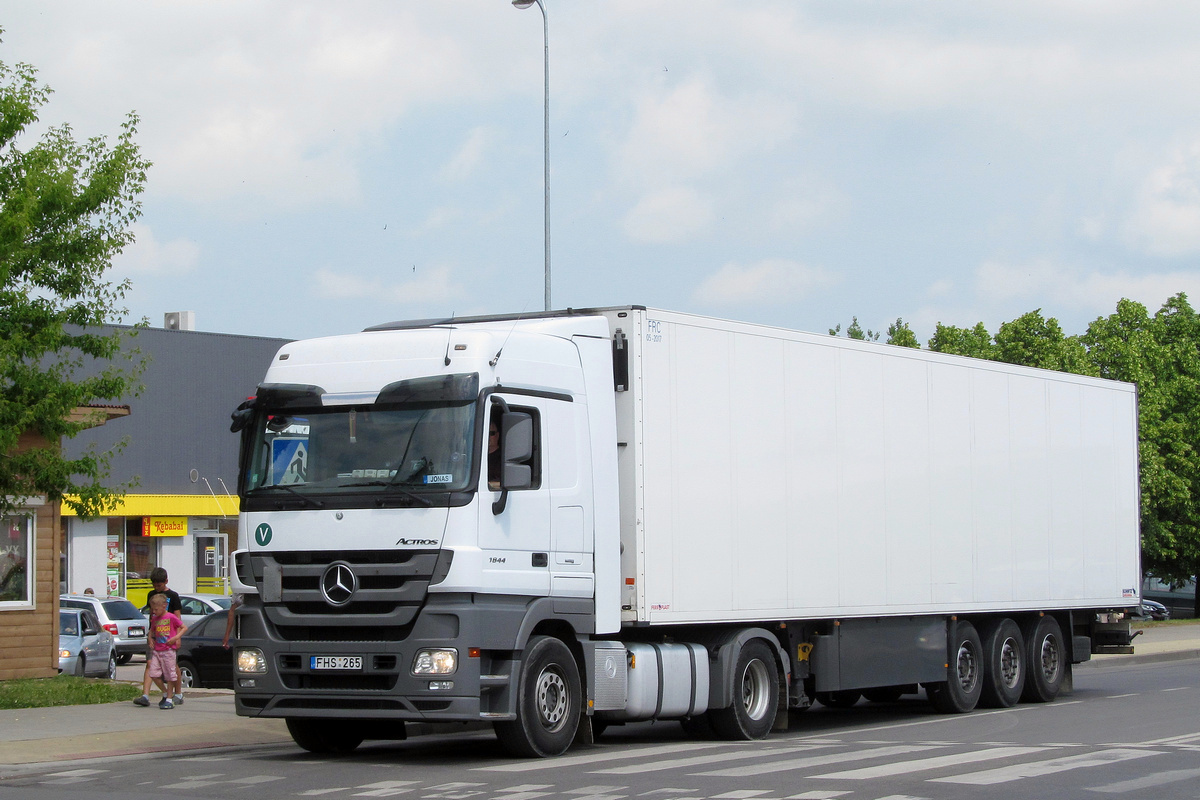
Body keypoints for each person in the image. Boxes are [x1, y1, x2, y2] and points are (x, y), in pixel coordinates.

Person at [132, 593, 187, 709]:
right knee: (153, 673)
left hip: (168, 651)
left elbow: (184, 627)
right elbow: (152, 630)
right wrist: (150, 638)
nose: (154, 612)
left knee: (169, 674)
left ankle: (169, 698)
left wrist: (176, 638)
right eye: (152, 609)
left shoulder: (171, 617)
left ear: (164, 606)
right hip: (157, 650)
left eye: (156, 609)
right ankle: (166, 691)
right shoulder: (155, 619)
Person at [143, 567, 185, 703]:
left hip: (169, 636)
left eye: (159, 585)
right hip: (155, 633)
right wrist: (150, 634)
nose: (157, 588)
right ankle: (145, 695)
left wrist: (177, 637)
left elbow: (177, 616)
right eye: (154, 585)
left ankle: (178, 693)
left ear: (166, 581)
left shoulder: (173, 596)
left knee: (172, 666)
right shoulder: (151, 595)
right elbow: (151, 614)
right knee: (150, 663)